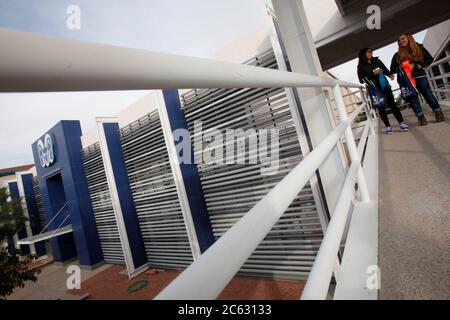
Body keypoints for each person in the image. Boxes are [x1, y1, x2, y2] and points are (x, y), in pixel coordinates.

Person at [390, 33, 445, 126]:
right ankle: (421, 117)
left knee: (428, 95)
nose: (401, 41)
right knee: (413, 98)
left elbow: (429, 59)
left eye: (403, 39)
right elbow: (392, 69)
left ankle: (438, 112)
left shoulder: (419, 48)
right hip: (407, 81)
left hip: (420, 76)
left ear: (409, 38)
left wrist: (419, 65)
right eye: (399, 40)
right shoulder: (397, 55)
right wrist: (402, 67)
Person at [358, 48, 409, 134]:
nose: (371, 53)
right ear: (363, 54)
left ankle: (402, 123)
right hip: (375, 89)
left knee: (392, 104)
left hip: (384, 85)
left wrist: (390, 74)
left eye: (371, 51)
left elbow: (384, 69)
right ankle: (388, 126)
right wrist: (373, 74)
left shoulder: (377, 61)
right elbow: (361, 80)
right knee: (381, 107)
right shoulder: (360, 66)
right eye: (368, 52)